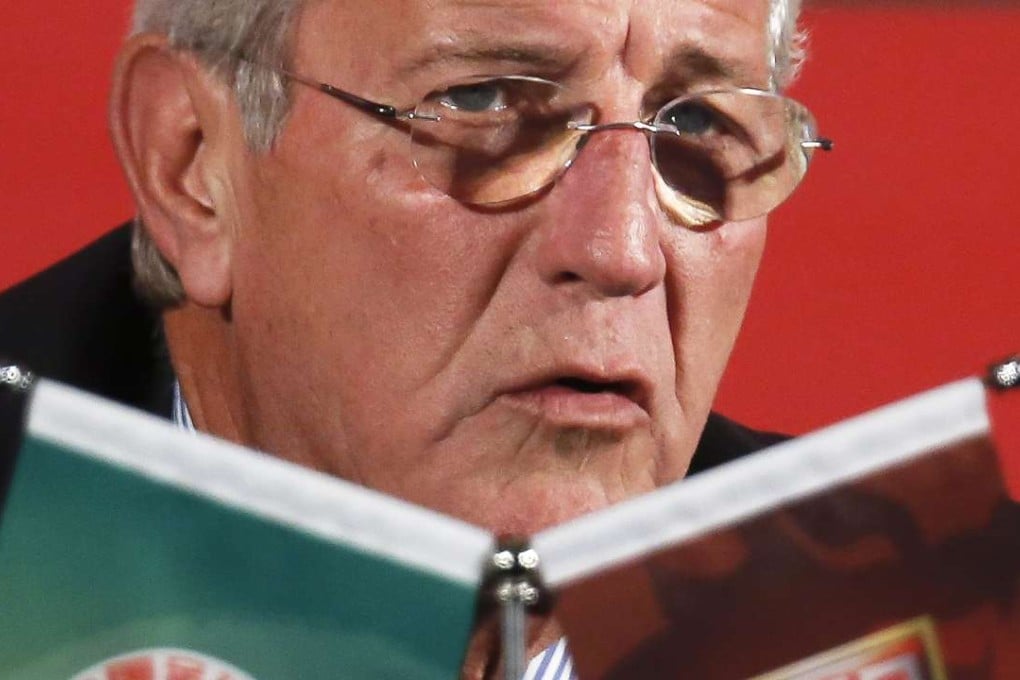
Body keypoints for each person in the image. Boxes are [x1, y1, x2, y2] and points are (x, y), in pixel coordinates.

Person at [0, 0, 830, 677]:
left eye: (699, 127)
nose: (621, 251)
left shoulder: (873, 609)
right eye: (485, 103)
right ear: (194, 166)